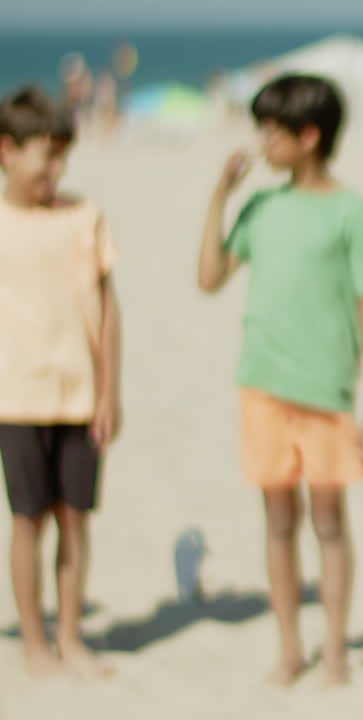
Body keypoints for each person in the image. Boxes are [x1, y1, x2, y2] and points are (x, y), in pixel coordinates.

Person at [196, 74, 363, 687]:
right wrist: (220, 196)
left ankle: (333, 647)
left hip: (327, 392)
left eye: (272, 131)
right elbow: (209, 278)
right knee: (278, 521)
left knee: (329, 522)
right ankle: (290, 647)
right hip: (262, 386)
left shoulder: (353, 213)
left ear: (309, 137)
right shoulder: (261, 207)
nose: (263, 142)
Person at [0, 86, 122, 678]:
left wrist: (109, 392)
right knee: (28, 519)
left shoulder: (83, 216)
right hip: (15, 400)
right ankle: (34, 642)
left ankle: (70, 636)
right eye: (45, 156)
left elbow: (108, 309)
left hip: (79, 396)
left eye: (62, 158)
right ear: (6, 150)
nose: (55, 170)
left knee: (75, 517)